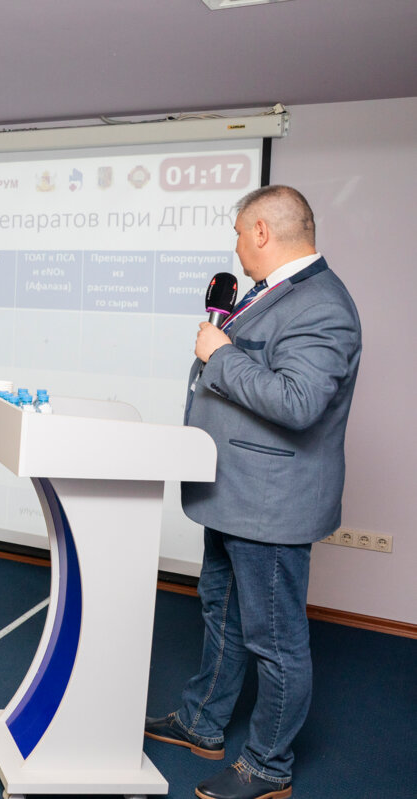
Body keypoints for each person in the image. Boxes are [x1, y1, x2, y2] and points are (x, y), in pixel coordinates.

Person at [145, 186, 362, 799]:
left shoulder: (323, 305)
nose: (236, 247)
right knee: (219, 610)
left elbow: (298, 402)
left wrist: (219, 355)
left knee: (276, 640)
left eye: (239, 234)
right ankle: (202, 721)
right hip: (233, 492)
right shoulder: (270, 293)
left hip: (271, 504)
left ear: (262, 231)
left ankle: (268, 766)